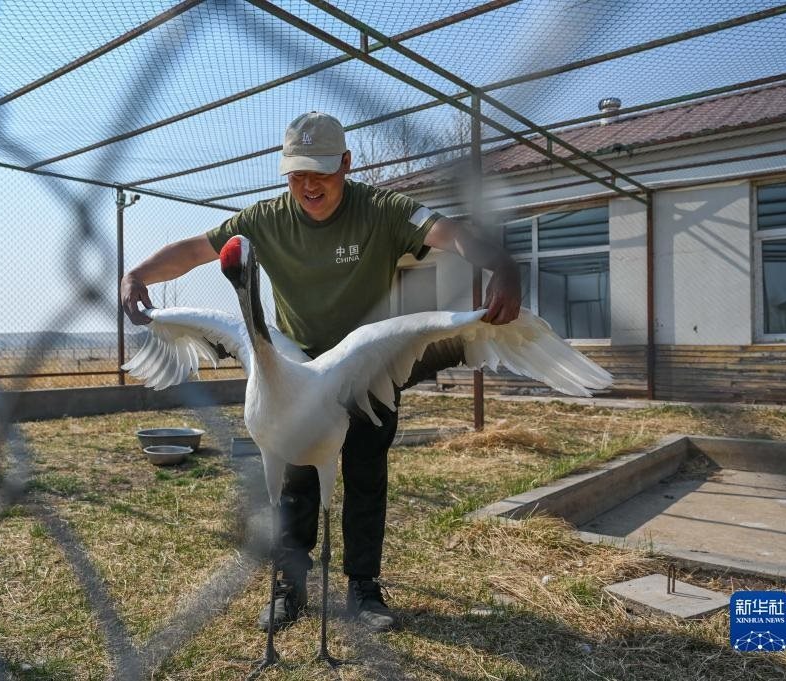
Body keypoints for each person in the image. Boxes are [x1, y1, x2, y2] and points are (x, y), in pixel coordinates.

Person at [120, 111, 521, 632]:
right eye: (297, 174)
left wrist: (502, 264)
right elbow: (196, 251)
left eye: (321, 172)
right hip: (297, 370)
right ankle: (290, 587)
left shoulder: (383, 210)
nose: (309, 185)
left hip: (368, 367)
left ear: (346, 164)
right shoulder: (264, 220)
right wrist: (137, 274)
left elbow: (450, 234)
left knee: (365, 473)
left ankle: (363, 589)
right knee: (296, 480)